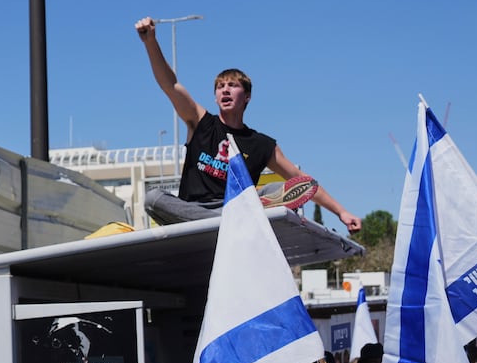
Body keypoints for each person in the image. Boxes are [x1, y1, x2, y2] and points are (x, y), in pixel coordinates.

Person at [134, 17, 362, 231]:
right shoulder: (200, 122)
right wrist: (150, 42)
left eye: (232, 85)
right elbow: (170, 85)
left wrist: (341, 211)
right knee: (153, 198)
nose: (225, 89)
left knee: (275, 190)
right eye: (220, 86)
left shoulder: (261, 145)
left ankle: (240, 215)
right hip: (194, 213)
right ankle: (232, 220)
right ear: (215, 97)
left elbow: (302, 181)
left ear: (247, 97)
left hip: (236, 205)